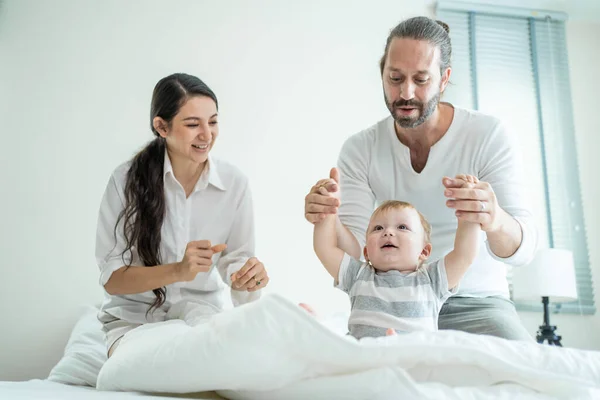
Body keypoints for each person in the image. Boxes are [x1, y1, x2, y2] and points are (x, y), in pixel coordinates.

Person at [304, 16, 537, 341]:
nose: (406, 93)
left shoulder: (487, 134)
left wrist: (493, 218)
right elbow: (354, 248)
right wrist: (326, 217)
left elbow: (523, 251)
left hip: (478, 304)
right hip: (391, 303)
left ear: (444, 79)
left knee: (528, 379)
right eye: (395, 78)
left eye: (421, 79)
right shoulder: (361, 148)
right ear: (382, 73)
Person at [95, 73, 269, 357]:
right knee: (159, 368)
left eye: (213, 122)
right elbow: (113, 279)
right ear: (162, 127)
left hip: (200, 318)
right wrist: (178, 270)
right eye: (192, 124)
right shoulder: (125, 180)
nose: (207, 135)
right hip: (134, 322)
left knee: (237, 364)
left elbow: (237, 258)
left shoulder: (234, 183)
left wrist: (245, 276)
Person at [313, 174, 481, 339]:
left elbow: (464, 255)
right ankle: (309, 326)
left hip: (413, 361)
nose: (388, 232)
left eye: (402, 227)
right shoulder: (357, 275)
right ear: (366, 252)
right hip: (367, 359)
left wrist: (469, 211)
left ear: (424, 252)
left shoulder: (432, 279)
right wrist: (327, 214)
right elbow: (325, 248)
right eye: (378, 228)